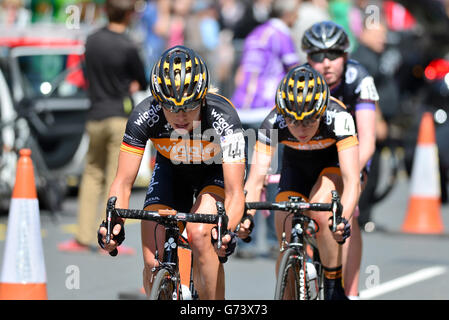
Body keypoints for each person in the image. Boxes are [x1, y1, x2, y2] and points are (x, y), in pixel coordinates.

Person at [98, 45, 246, 299]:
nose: (180, 116)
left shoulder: (223, 116)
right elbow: (122, 183)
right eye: (170, 107)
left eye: (188, 107)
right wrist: (113, 224)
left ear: (201, 99)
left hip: (212, 174)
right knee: (153, 262)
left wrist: (226, 231)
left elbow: (234, 192)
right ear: (159, 101)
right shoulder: (145, 116)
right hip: (171, 171)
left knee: (200, 233)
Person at [242, 65, 359, 300]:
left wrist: (342, 219)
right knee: (285, 233)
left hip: (330, 168)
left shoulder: (339, 117)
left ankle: (334, 284)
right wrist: (246, 217)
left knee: (321, 209)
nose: (301, 128)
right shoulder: (273, 121)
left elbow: (352, 180)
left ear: (321, 111)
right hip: (294, 171)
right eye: (293, 122)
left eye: (308, 122)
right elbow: (254, 180)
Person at [58, 0, 148, 254]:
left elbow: (87, 73)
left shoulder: (93, 40)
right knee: (116, 177)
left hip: (95, 114)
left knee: (91, 174)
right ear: (129, 14)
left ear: (106, 11)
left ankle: (82, 235)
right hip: (118, 115)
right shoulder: (129, 46)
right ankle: (108, 236)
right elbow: (140, 81)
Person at [301, 20, 380, 299]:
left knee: (347, 215)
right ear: (307, 59)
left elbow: (368, 142)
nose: (326, 63)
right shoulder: (298, 81)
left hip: (352, 153)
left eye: (333, 55)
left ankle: (352, 290)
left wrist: (349, 178)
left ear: (345, 55)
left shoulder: (359, 78)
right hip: (311, 153)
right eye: (318, 56)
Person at [231, 0, 300, 259]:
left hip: (243, 107)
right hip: (266, 111)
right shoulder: (282, 34)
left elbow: (242, 72)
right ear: (290, 14)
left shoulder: (255, 33)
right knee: (271, 176)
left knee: (248, 175)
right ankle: (274, 239)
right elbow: (294, 73)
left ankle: (245, 238)